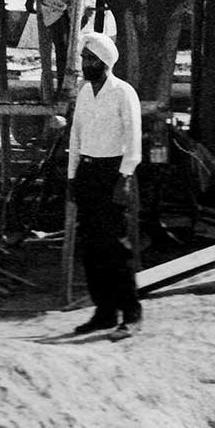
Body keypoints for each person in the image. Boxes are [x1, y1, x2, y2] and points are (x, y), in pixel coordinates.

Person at [66, 32, 142, 338]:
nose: (85, 64)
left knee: (117, 246)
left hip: (113, 172)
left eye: (91, 59)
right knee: (91, 246)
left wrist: (125, 178)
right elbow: (76, 136)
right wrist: (72, 177)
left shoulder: (123, 92)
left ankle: (131, 313)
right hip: (88, 171)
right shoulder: (85, 93)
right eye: (84, 58)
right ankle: (104, 312)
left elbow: (133, 139)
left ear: (105, 62)